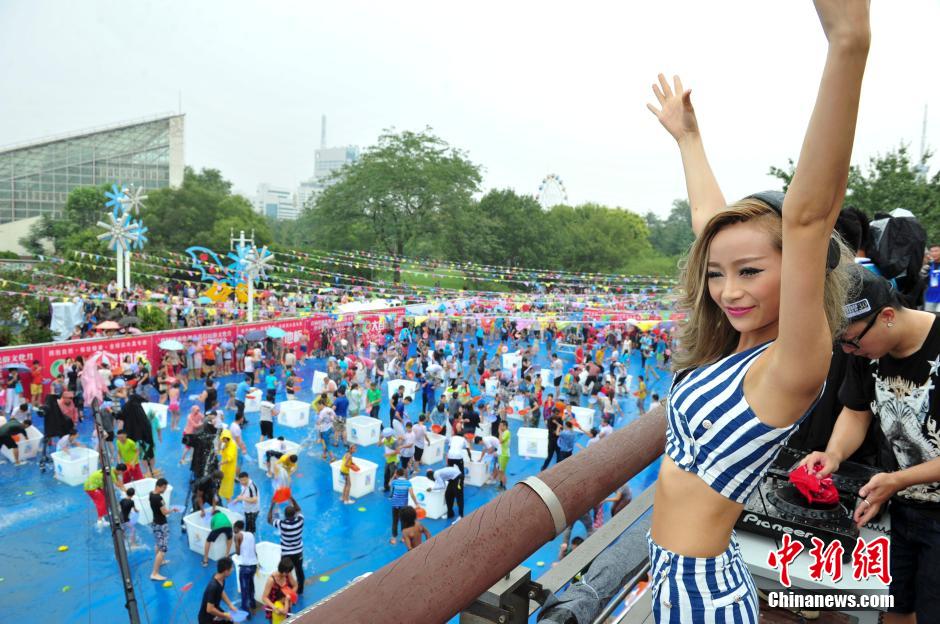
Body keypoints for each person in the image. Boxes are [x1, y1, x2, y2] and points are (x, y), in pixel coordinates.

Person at [644, 1, 869, 619]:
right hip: (688, 579)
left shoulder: (789, 364)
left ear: (797, 271)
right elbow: (710, 225)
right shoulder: (742, 349)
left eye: (749, 273)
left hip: (700, 598)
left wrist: (848, 43)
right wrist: (689, 139)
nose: (728, 291)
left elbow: (807, 217)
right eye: (716, 275)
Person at [799, 268, 940, 623]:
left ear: (887, 315)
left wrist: (898, 480)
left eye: (851, 342)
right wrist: (833, 454)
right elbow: (856, 411)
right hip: (901, 504)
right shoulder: (866, 351)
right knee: (893, 604)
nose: (849, 351)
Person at [267, 497, 305, 595]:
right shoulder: (300, 521)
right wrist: (292, 498)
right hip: (298, 552)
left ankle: (284, 590)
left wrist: (272, 505)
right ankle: (300, 590)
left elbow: (269, 519)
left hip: (286, 553)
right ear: (294, 514)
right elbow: (299, 509)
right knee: (299, 570)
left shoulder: (282, 524)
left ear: (285, 515)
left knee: (284, 572)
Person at [149, 477, 177, 581]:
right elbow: (164, 512)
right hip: (161, 525)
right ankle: (154, 573)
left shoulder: (151, 494)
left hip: (155, 523)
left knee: (158, 544)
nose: (164, 490)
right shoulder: (159, 498)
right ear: (158, 486)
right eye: (164, 488)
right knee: (163, 549)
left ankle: (160, 561)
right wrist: (172, 510)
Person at [84, 464, 127, 529]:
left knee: (107, 496)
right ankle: (100, 521)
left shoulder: (113, 469)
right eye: (122, 473)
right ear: (120, 471)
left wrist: (125, 489)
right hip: (90, 487)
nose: (122, 474)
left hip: (96, 485)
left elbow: (119, 482)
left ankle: (106, 512)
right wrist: (126, 491)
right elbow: (118, 485)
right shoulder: (111, 474)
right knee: (102, 501)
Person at [197, 556, 237, 624]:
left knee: (234, 621)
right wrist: (224, 615)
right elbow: (209, 609)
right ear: (226, 571)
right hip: (207, 619)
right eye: (231, 568)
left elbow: (221, 591)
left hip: (214, 610)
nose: (232, 569)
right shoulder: (213, 587)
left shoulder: (220, 578)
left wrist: (230, 605)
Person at [261, 557, 297, 621]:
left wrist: (290, 595)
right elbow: (264, 597)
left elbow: (295, 586)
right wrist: (275, 608)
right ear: (281, 568)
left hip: (286, 606)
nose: (286, 574)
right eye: (285, 572)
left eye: (288, 572)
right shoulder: (271, 580)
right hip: (275, 608)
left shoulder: (288, 574)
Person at [389, 467, 419, 544]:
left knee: (395, 521)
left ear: (397, 474)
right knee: (404, 521)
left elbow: (389, 484)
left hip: (395, 504)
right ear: (403, 474)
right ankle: (403, 537)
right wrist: (416, 503)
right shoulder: (408, 483)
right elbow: (412, 494)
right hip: (404, 505)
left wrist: (393, 476)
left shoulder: (394, 482)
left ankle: (394, 538)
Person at [217, 430, 238, 504]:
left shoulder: (232, 445)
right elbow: (220, 452)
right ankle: (228, 500)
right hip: (224, 468)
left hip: (229, 469)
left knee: (228, 486)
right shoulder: (226, 444)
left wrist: (220, 463)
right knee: (223, 483)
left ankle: (229, 502)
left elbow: (230, 458)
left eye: (224, 439)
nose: (223, 440)